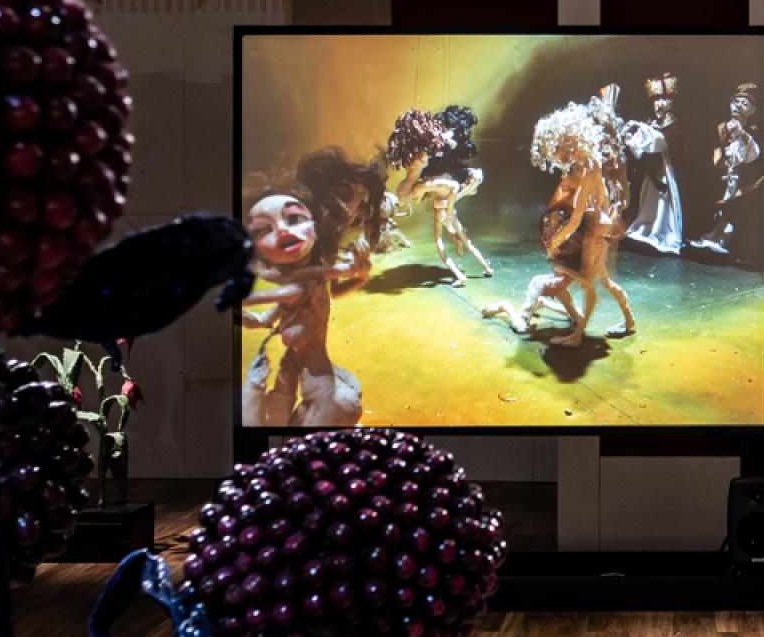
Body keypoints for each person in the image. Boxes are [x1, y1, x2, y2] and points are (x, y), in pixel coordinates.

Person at [238, 155, 383, 427]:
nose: (355, 209)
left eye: (361, 202)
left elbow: (328, 290)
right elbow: (287, 294)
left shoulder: (318, 258)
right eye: (348, 197)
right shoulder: (308, 259)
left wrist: (359, 276)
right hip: (307, 371)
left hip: (315, 374)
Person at [486, 91, 635, 343]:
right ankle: (623, 321)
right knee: (601, 281)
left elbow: (577, 216)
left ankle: (578, 334)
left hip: (593, 232)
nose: (558, 153)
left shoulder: (588, 167)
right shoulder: (587, 164)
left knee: (589, 282)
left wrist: (557, 241)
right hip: (596, 230)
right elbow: (594, 204)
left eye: (560, 146)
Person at [382, 103, 497, 280]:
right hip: (440, 198)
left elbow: (451, 187)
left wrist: (448, 206)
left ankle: (473, 265)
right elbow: (422, 194)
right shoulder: (421, 180)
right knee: (448, 237)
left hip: (445, 194)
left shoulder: (426, 180)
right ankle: (473, 266)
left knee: (454, 236)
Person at [691, 79, 764, 255]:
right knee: (721, 206)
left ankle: (723, 239)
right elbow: (715, 148)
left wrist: (743, 135)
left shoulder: (752, 130)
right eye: (735, 102)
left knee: (733, 207)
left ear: (752, 110)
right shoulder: (722, 127)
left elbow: (754, 154)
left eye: (744, 104)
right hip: (724, 173)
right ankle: (713, 235)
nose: (738, 106)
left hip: (742, 176)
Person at [623, 72, 685, 255]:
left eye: (664, 100)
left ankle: (662, 233)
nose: (659, 104)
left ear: (672, 102)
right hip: (650, 173)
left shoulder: (675, 125)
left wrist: (644, 130)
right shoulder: (651, 124)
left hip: (666, 171)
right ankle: (645, 228)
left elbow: (662, 143)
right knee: (649, 201)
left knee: (664, 204)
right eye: (656, 100)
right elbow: (640, 146)